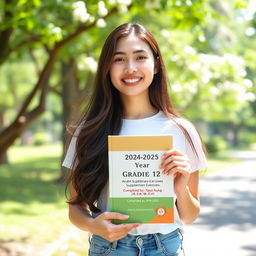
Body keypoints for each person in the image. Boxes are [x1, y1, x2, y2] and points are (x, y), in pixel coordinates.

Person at [63, 23, 207, 256]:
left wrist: (181, 190)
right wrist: (92, 225)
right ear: (107, 68)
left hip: (166, 248)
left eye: (140, 57)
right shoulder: (88, 131)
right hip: (109, 248)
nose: (130, 68)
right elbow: (75, 209)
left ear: (157, 64)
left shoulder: (181, 131)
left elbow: (189, 215)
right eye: (119, 59)